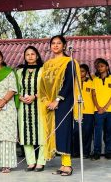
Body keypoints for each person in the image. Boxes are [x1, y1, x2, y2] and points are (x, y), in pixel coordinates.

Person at [39, 35, 80, 176]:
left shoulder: (70, 62)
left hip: (64, 102)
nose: (55, 45)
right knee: (54, 132)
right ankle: (62, 164)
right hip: (49, 103)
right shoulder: (47, 64)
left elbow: (69, 83)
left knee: (64, 131)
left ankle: (67, 164)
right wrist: (47, 101)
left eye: (58, 43)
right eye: (53, 43)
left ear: (64, 46)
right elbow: (42, 85)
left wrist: (57, 100)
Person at [17, 46, 45, 172]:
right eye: (27, 54)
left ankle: (41, 161)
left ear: (37, 56)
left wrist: (35, 96)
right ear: (24, 57)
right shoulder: (19, 72)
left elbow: (47, 88)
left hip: (39, 104)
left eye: (32, 54)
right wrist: (20, 97)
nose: (30, 56)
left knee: (42, 133)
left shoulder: (43, 70)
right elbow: (15, 88)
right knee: (26, 134)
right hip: (24, 106)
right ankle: (31, 162)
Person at [72, 64, 94, 159]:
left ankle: (86, 152)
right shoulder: (73, 82)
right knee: (75, 132)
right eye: (79, 71)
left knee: (87, 132)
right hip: (76, 111)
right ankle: (76, 151)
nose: (81, 73)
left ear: (86, 72)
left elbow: (94, 96)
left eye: (83, 71)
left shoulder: (92, 82)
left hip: (89, 111)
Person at [91, 58, 111, 160]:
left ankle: (108, 152)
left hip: (110, 110)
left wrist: (105, 107)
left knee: (109, 132)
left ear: (107, 67)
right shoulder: (95, 80)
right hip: (98, 110)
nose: (100, 68)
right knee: (97, 132)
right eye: (98, 67)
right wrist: (99, 107)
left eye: (102, 66)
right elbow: (93, 95)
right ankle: (97, 152)